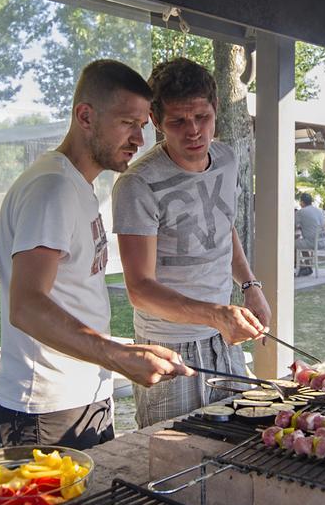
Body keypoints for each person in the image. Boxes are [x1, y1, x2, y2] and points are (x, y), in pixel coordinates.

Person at [0, 59, 195, 450]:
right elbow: (27, 306)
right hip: (42, 413)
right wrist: (117, 356)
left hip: (81, 399)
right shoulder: (52, 189)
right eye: (126, 123)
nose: (138, 139)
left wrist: (124, 352)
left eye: (142, 127)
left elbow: (71, 295)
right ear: (85, 116)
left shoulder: (77, 186)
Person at [112, 58, 272, 428]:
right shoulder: (138, 185)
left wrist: (249, 286)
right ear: (155, 121)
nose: (194, 131)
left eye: (203, 117)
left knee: (239, 445)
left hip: (222, 339)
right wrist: (216, 314)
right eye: (178, 122)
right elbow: (139, 289)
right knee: (173, 453)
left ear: (216, 109)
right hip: (168, 346)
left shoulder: (227, 160)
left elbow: (223, 226)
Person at [295, 192, 325, 276]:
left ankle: (302, 266)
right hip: (322, 242)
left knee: (291, 244)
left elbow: (293, 225)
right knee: (301, 242)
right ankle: (308, 266)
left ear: (302, 202)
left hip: (312, 242)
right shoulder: (319, 211)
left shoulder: (301, 212)